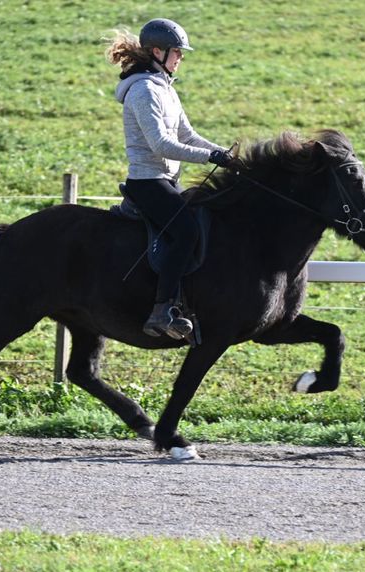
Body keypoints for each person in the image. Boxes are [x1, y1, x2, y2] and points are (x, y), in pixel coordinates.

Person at [106, 18, 234, 340]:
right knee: (187, 231)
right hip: (148, 182)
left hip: (166, 180)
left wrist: (225, 154)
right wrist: (210, 158)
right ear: (157, 52)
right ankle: (161, 310)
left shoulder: (165, 88)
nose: (181, 58)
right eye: (177, 52)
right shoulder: (144, 91)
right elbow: (161, 144)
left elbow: (187, 135)